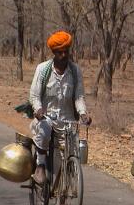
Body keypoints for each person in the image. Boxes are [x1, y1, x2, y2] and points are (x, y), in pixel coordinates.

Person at [29, 30, 91, 185]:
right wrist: (38, 109)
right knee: (43, 131)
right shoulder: (43, 69)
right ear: (53, 53)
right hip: (47, 118)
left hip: (68, 121)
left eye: (66, 52)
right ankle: (40, 166)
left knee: (69, 157)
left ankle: (63, 196)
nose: (63, 55)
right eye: (59, 52)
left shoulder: (75, 71)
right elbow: (34, 96)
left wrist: (83, 113)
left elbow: (79, 96)